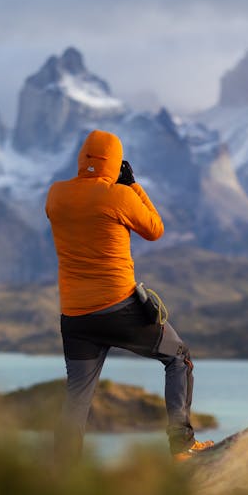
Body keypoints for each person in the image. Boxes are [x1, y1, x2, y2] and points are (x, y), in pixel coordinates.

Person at [45, 129, 213, 463]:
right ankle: (181, 445)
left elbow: (77, 208)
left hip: (76, 317)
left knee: (77, 396)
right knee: (179, 358)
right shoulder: (119, 196)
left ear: (82, 159)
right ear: (115, 162)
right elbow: (155, 229)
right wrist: (132, 185)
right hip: (120, 310)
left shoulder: (55, 196)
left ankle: (62, 475)